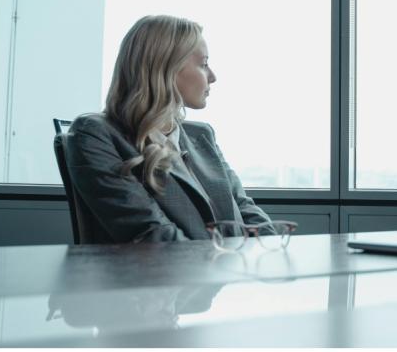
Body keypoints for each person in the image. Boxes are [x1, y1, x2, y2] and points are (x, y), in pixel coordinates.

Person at [66, 15, 271, 243]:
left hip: (230, 271)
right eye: (203, 64)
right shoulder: (94, 134)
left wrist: (272, 249)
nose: (213, 76)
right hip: (165, 277)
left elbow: (245, 209)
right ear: (167, 68)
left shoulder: (201, 135)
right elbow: (153, 235)